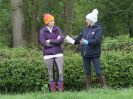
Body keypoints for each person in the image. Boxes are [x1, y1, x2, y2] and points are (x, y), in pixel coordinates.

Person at [66, 9, 107, 89]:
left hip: (95, 54)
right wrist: (71, 40)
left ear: (91, 20)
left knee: (98, 72)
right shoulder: (85, 29)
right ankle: (89, 89)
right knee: (87, 72)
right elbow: (78, 39)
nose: (86, 21)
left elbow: (97, 41)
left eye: (87, 20)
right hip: (85, 54)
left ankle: (105, 88)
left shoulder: (98, 29)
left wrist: (87, 42)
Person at [39, 13, 64, 92]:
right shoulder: (42, 31)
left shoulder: (57, 29)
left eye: (53, 21)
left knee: (60, 73)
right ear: (47, 22)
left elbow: (61, 40)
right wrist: (55, 43)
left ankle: (61, 92)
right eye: (52, 21)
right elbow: (43, 43)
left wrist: (50, 41)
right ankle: (53, 92)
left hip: (58, 53)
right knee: (51, 74)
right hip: (48, 55)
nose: (54, 22)